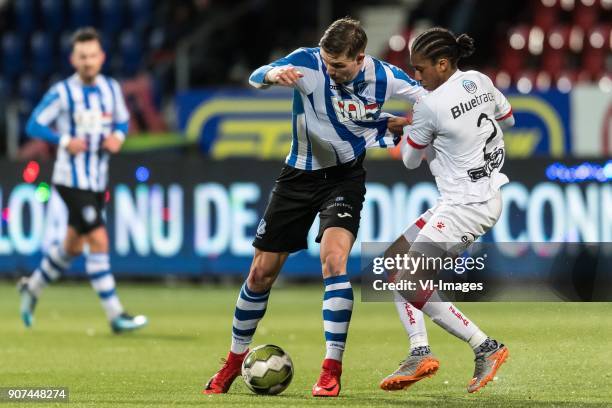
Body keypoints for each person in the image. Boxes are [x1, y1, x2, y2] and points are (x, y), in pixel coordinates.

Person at [203, 17, 425, 397]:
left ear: (359, 58)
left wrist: (414, 125)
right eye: (326, 61)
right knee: (260, 274)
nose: (329, 69)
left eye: (338, 65)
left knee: (334, 261)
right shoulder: (308, 62)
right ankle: (233, 362)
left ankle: (330, 369)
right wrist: (274, 74)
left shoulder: (387, 77)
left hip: (344, 179)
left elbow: (429, 103)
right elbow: (257, 75)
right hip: (296, 178)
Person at [379, 27, 512, 393]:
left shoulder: (429, 105)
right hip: (479, 194)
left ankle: (486, 346)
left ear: (442, 63)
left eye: (420, 70)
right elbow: (508, 120)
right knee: (395, 264)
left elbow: (408, 160)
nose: (417, 77)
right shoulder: (479, 80)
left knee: (407, 279)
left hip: (465, 206)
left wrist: (410, 126)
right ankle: (419, 350)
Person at [18, 27, 147, 334]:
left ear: (101, 57)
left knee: (73, 246)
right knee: (98, 239)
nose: (88, 62)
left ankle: (32, 286)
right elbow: (34, 124)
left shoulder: (111, 88)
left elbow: (122, 119)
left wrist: (117, 136)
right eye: (82, 56)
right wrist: (63, 140)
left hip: (96, 180)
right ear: (72, 59)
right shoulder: (63, 92)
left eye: (92, 55)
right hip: (69, 179)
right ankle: (116, 315)